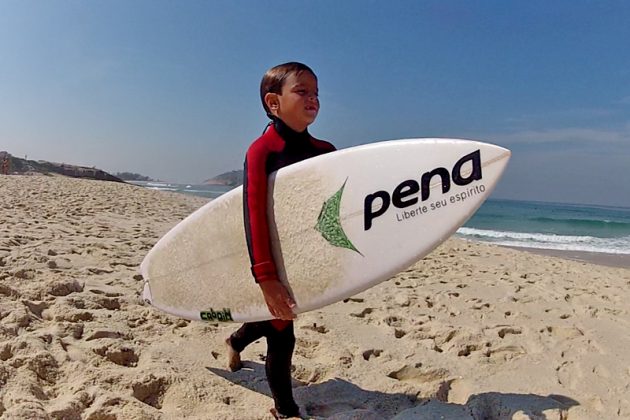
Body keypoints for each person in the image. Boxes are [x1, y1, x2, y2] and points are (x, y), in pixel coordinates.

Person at [225, 62, 336, 419]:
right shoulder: (262, 151)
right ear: (273, 103)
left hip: (303, 255)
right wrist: (265, 276)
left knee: (279, 315)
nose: (313, 99)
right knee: (282, 333)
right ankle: (285, 411)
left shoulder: (326, 150)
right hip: (270, 257)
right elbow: (253, 212)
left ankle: (236, 340)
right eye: (302, 91)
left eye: (316, 92)